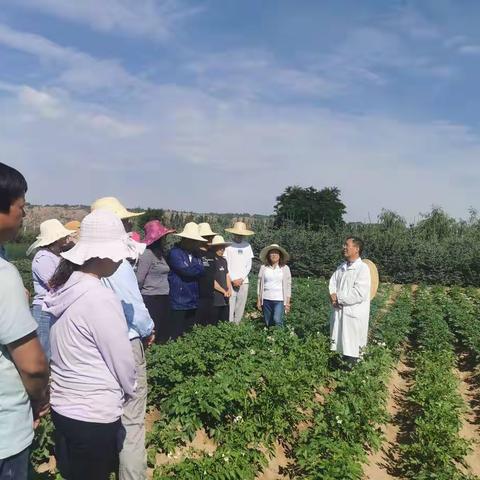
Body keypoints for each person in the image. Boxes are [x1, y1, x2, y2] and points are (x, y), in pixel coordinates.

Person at [44, 210, 137, 480]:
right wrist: (130, 390)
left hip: (63, 407)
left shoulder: (63, 288)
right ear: (105, 254)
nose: (122, 259)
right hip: (93, 413)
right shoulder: (100, 298)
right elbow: (121, 359)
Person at [90, 196, 154, 480]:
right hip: (125, 343)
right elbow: (135, 309)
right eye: (125, 221)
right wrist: (149, 330)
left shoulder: (82, 263)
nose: (130, 225)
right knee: (132, 418)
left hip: (93, 345)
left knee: (105, 412)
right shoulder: (118, 265)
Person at [0, 162, 49, 480]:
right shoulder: (3, 276)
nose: (24, 215)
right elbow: (32, 365)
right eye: (22, 207)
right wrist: (40, 399)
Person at [27, 219, 75, 359]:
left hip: (52, 309)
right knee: (43, 353)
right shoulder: (43, 258)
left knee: (50, 350)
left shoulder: (54, 256)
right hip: (44, 310)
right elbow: (54, 284)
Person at [329, 236, 371, 365]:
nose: (344, 248)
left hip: (353, 314)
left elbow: (359, 293)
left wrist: (339, 299)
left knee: (353, 344)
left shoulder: (362, 268)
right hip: (341, 311)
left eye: (347, 245)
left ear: (357, 249)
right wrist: (332, 294)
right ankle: (343, 366)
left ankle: (353, 370)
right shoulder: (342, 267)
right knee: (342, 341)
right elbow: (332, 282)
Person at [136, 220, 175, 344]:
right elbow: (140, 278)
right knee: (153, 332)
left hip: (163, 296)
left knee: (163, 331)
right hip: (151, 297)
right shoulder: (147, 254)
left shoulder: (161, 254)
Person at [167, 222, 206, 338]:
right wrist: (195, 270)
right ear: (184, 239)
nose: (195, 243)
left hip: (192, 300)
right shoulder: (175, 253)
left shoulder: (197, 255)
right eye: (192, 240)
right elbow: (186, 271)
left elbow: (203, 270)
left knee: (188, 333)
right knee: (176, 332)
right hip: (179, 300)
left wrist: (193, 269)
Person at [224, 221, 255, 324]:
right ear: (233, 233)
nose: (239, 236)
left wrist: (241, 278)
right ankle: (228, 324)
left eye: (241, 234)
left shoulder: (247, 246)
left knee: (241, 305)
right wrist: (233, 279)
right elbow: (226, 264)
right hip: (230, 281)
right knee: (230, 303)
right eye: (237, 234)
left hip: (243, 281)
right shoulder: (228, 246)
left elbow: (248, 265)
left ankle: (236, 325)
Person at [257, 244, 292, 327]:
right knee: (268, 322)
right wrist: (259, 300)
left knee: (277, 319)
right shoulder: (263, 268)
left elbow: (288, 285)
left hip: (279, 299)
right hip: (266, 298)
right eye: (272, 253)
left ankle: (279, 338)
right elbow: (259, 284)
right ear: (268, 255)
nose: (274, 255)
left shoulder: (285, 268)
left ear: (280, 255)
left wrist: (287, 302)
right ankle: (270, 338)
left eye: (276, 253)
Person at [196, 223, 217, 326]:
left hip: (210, 293)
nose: (210, 239)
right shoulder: (195, 253)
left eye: (211, 237)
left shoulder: (212, 253)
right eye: (207, 237)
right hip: (198, 294)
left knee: (208, 322)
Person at [211, 235, 232, 325]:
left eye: (223, 247)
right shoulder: (211, 260)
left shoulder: (224, 260)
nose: (222, 250)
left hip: (225, 297)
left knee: (225, 321)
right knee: (215, 322)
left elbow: (227, 275)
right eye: (220, 247)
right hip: (216, 297)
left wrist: (229, 289)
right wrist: (223, 291)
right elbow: (211, 280)